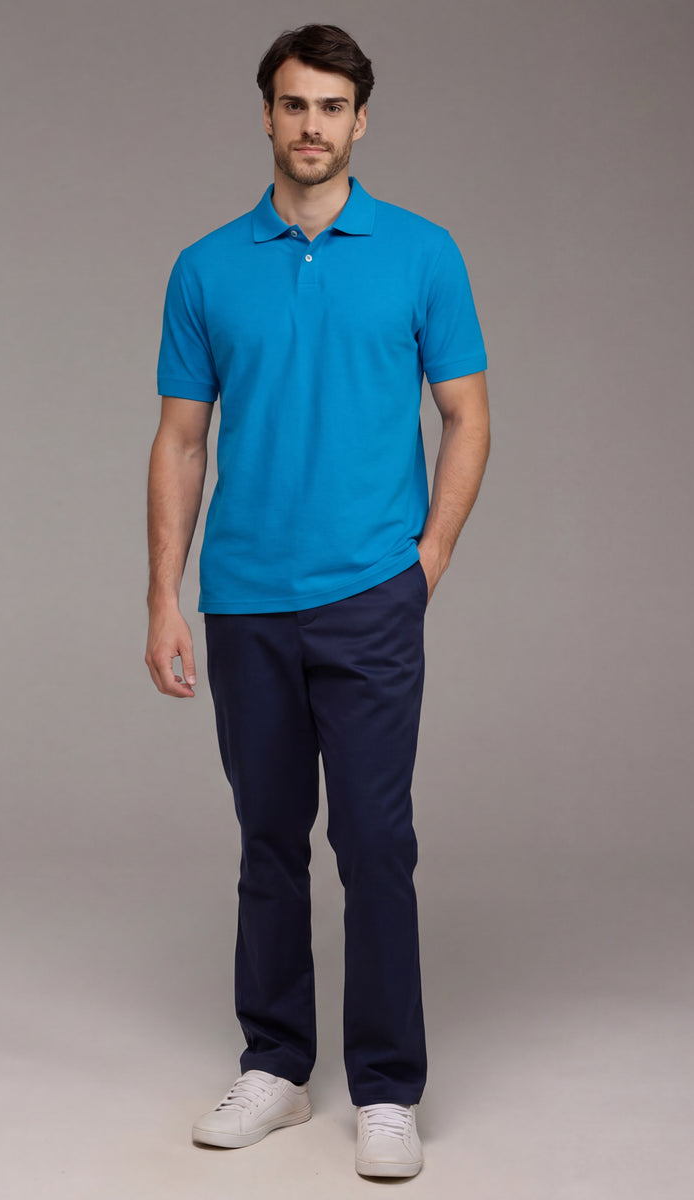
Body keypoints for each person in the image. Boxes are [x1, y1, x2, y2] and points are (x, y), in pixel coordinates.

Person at [145, 23, 489, 1180]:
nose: (311, 126)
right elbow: (180, 441)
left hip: (372, 597)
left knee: (377, 841)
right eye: (294, 104)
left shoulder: (423, 254)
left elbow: (469, 416)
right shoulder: (206, 267)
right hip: (245, 601)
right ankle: (278, 1068)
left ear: (360, 120)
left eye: (332, 107)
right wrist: (163, 596)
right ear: (266, 115)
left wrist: (427, 559)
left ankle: (387, 1088)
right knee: (267, 839)